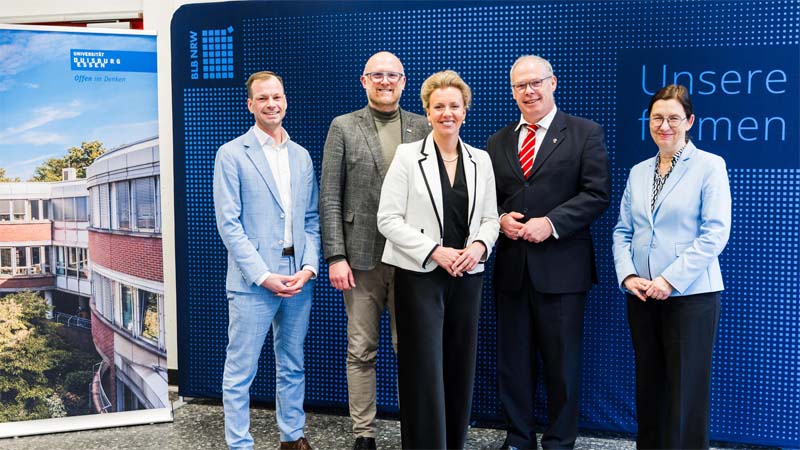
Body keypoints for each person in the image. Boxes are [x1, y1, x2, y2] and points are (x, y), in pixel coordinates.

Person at [486, 55, 610, 450]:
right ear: (512, 92)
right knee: (513, 364)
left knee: (562, 365)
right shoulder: (497, 142)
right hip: (512, 270)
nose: (529, 91)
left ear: (553, 83)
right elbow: (488, 200)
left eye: (535, 82)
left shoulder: (585, 132)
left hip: (562, 270)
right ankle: (518, 438)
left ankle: (559, 441)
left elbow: (596, 194)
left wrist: (552, 223)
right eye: (520, 86)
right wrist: (500, 219)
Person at [377, 70, 499, 449]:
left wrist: (478, 247)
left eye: (454, 106)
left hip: (467, 275)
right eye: (439, 106)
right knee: (423, 371)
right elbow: (387, 219)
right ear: (427, 112)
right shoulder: (408, 156)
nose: (447, 113)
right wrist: (434, 251)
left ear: (465, 111)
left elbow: (491, 219)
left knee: (460, 367)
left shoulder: (481, 160)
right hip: (421, 277)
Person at [319, 51, 429, 450]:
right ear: (364, 81)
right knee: (361, 351)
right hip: (360, 259)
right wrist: (335, 256)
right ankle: (364, 434)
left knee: (411, 350)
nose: (385, 81)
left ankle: (413, 430)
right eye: (377, 75)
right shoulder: (343, 126)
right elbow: (330, 195)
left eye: (392, 75)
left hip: (412, 259)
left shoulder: (423, 126)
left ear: (403, 82)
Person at [612, 84, 731, 450]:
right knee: (649, 388)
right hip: (642, 296)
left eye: (673, 118)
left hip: (690, 297)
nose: (664, 126)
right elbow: (623, 231)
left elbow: (715, 233)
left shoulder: (710, 165)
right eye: (657, 118)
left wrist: (669, 280)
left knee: (685, 393)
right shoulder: (639, 171)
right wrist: (629, 276)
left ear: (689, 121)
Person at [214, 71, 319, 450]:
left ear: (285, 100)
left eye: (277, 96)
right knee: (240, 371)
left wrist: (309, 268)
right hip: (253, 282)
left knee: (292, 364)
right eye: (263, 98)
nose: (271, 104)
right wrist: (262, 275)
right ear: (250, 105)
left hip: (297, 279)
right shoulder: (231, 154)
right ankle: (239, 444)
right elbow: (229, 225)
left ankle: (292, 438)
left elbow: (311, 219)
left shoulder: (301, 156)